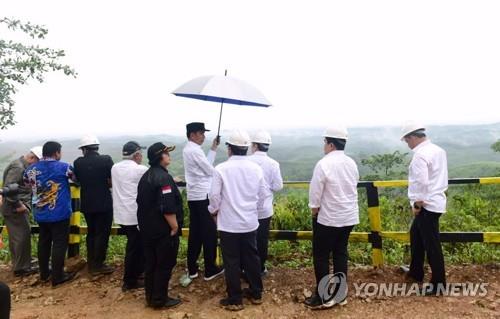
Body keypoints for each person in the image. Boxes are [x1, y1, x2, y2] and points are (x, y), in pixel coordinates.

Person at [208, 130, 266, 311]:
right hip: (249, 223)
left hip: (229, 224)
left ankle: (235, 299)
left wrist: (213, 212)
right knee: (252, 258)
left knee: (231, 261)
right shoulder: (256, 169)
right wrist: (253, 211)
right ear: (247, 148)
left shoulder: (221, 169)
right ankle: (256, 293)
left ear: (229, 149)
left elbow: (214, 196)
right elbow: (263, 196)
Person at [304, 125, 360, 309]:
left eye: (324, 142)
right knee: (340, 253)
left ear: (330, 144)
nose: (324, 146)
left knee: (321, 256)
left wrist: (314, 211)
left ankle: (322, 297)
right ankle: (340, 294)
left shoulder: (324, 163)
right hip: (349, 216)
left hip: (328, 218)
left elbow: (315, 193)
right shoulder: (351, 163)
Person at [401, 121, 448, 295]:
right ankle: (415, 272)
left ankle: (438, 284)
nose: (408, 144)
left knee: (432, 245)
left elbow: (421, 182)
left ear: (413, 137)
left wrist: (417, 205)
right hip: (436, 202)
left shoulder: (420, 155)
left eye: (407, 141)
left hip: (426, 205)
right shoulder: (438, 150)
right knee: (416, 235)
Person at [23, 141, 76, 287]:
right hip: (60, 212)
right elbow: (76, 180)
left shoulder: (30, 169)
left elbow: (27, 184)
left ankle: (44, 273)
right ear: (56, 152)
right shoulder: (65, 167)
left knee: (44, 242)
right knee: (59, 243)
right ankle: (58, 276)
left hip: (40, 212)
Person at [137, 142, 183, 309]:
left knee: (151, 264)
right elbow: (167, 208)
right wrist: (175, 227)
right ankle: (159, 300)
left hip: (148, 229)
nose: (169, 156)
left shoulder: (147, 175)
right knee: (164, 265)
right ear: (160, 157)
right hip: (163, 231)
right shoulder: (163, 178)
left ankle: (150, 297)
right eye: (166, 153)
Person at [183, 122, 224, 281]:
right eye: (201, 133)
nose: (204, 136)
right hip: (202, 197)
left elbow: (205, 166)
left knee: (195, 233)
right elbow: (210, 171)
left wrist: (213, 148)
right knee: (209, 234)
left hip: (194, 197)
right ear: (192, 135)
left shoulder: (190, 149)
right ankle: (210, 269)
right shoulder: (194, 150)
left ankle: (192, 268)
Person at [73, 134, 114, 275]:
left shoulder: (78, 162)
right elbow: (111, 181)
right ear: (97, 147)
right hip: (104, 203)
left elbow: (77, 180)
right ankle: (98, 265)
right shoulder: (106, 160)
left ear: (84, 149)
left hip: (87, 204)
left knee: (92, 233)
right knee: (102, 234)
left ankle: (92, 263)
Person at [111, 141, 148, 291]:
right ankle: (130, 281)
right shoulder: (140, 169)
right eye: (140, 154)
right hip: (135, 215)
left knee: (135, 245)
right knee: (134, 247)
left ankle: (138, 273)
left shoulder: (115, 168)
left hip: (121, 215)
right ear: (137, 155)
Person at [0, 146, 42, 277]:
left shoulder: (20, 165)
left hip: (14, 207)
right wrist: (19, 204)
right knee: (21, 237)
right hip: (14, 208)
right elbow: (9, 188)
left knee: (17, 237)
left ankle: (21, 263)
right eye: (38, 162)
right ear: (32, 158)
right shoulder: (18, 167)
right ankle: (22, 268)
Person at [248, 131, 283, 275]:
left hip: (247, 208)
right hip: (265, 209)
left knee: (248, 240)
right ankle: (261, 268)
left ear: (255, 145)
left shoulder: (247, 162)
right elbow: (278, 186)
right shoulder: (273, 164)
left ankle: (247, 268)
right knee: (262, 240)